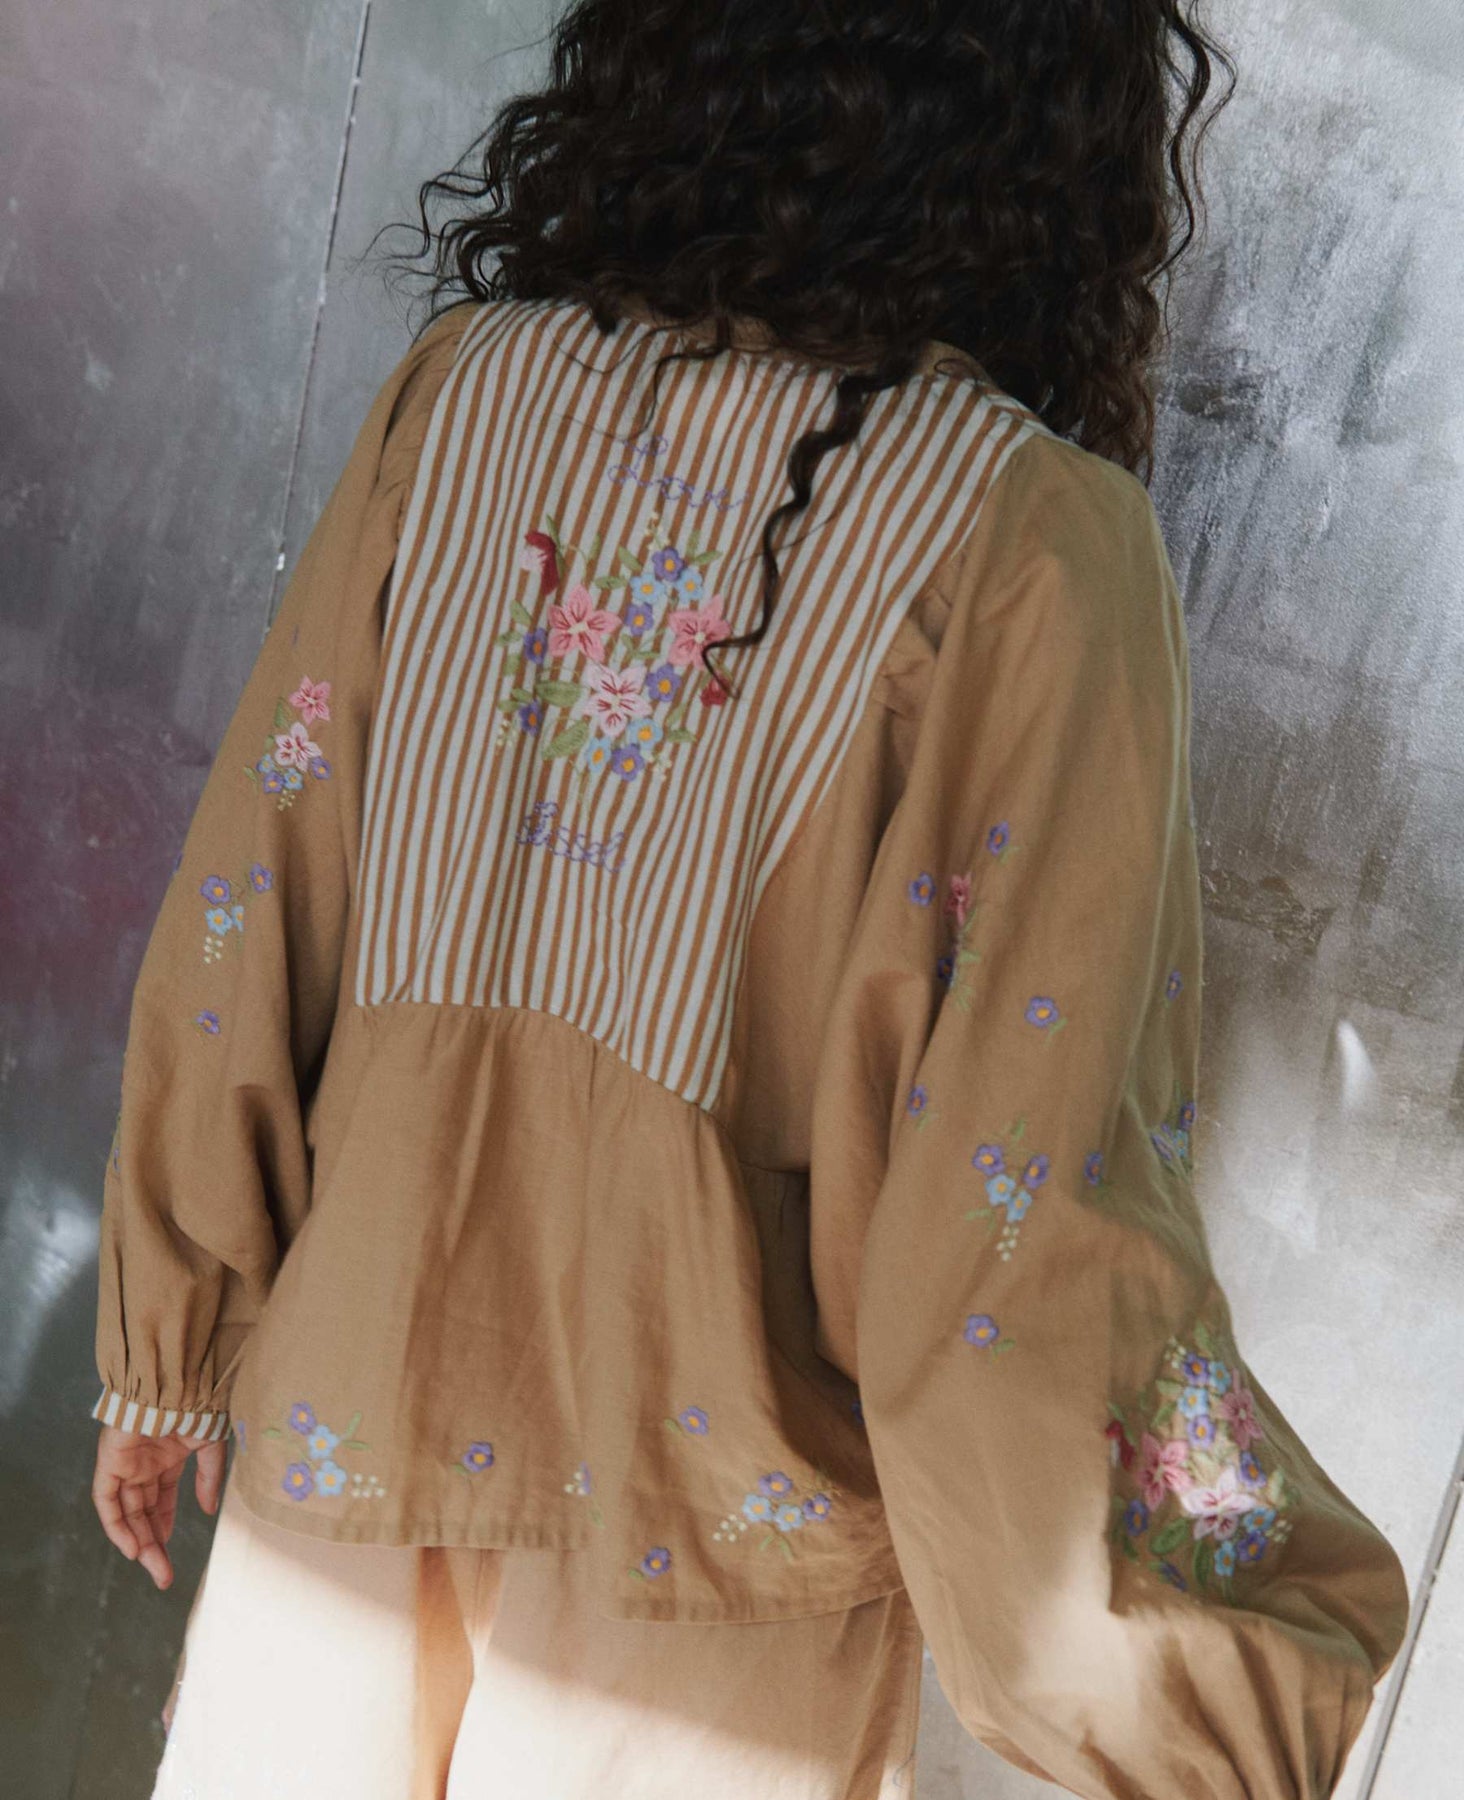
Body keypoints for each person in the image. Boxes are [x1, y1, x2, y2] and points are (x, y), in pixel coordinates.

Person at [89, 3, 1410, 1796]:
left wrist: (167, 1346)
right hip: (713, 1565)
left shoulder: (458, 403)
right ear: (1058, 115)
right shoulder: (1028, 545)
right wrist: (1237, 1689)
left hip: (345, 1449)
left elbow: (251, 901)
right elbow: (1023, 1209)